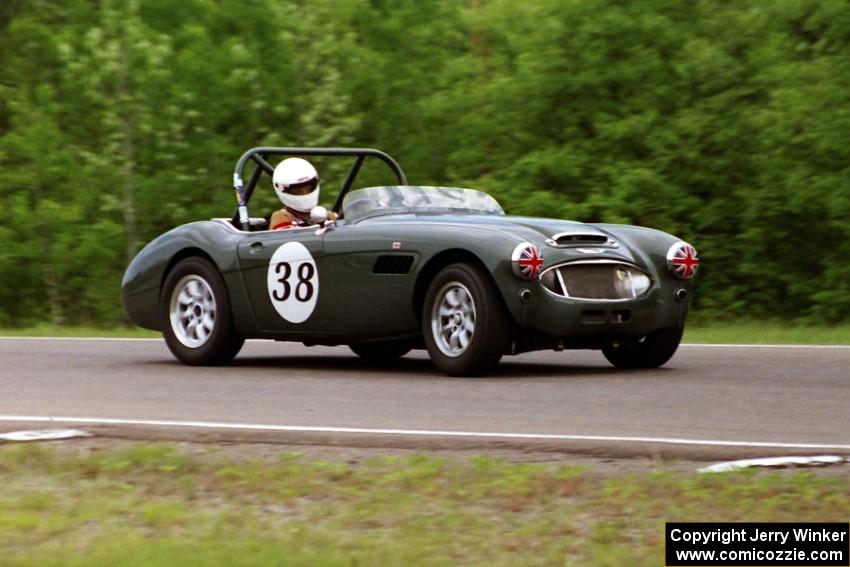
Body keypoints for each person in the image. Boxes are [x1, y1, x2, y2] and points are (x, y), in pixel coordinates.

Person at [269, 157, 336, 230]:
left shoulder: (327, 214)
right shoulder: (281, 216)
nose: (305, 193)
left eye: (308, 188)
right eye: (298, 191)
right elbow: (287, 238)